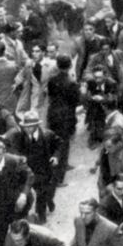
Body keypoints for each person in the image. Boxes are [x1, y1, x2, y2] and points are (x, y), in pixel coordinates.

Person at [4, 111, 62, 224]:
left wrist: (55, 156)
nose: (28, 129)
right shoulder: (19, 136)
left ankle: (42, 215)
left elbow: (59, 143)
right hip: (27, 170)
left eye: (31, 126)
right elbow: (11, 146)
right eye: (26, 127)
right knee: (29, 191)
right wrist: (18, 156)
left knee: (42, 193)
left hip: (43, 169)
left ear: (36, 125)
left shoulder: (47, 134)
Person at [46, 55, 80, 185]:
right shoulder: (71, 83)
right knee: (63, 145)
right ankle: (58, 178)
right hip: (66, 116)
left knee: (55, 143)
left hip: (53, 113)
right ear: (70, 66)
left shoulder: (52, 80)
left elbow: (50, 96)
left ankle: (62, 166)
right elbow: (75, 101)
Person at [85, 66, 120, 147]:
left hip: (108, 106)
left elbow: (113, 98)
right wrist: (89, 97)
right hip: (95, 107)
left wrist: (102, 99)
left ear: (105, 76)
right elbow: (88, 95)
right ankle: (95, 136)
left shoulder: (112, 83)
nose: (97, 80)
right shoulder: (91, 82)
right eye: (95, 77)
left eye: (99, 77)